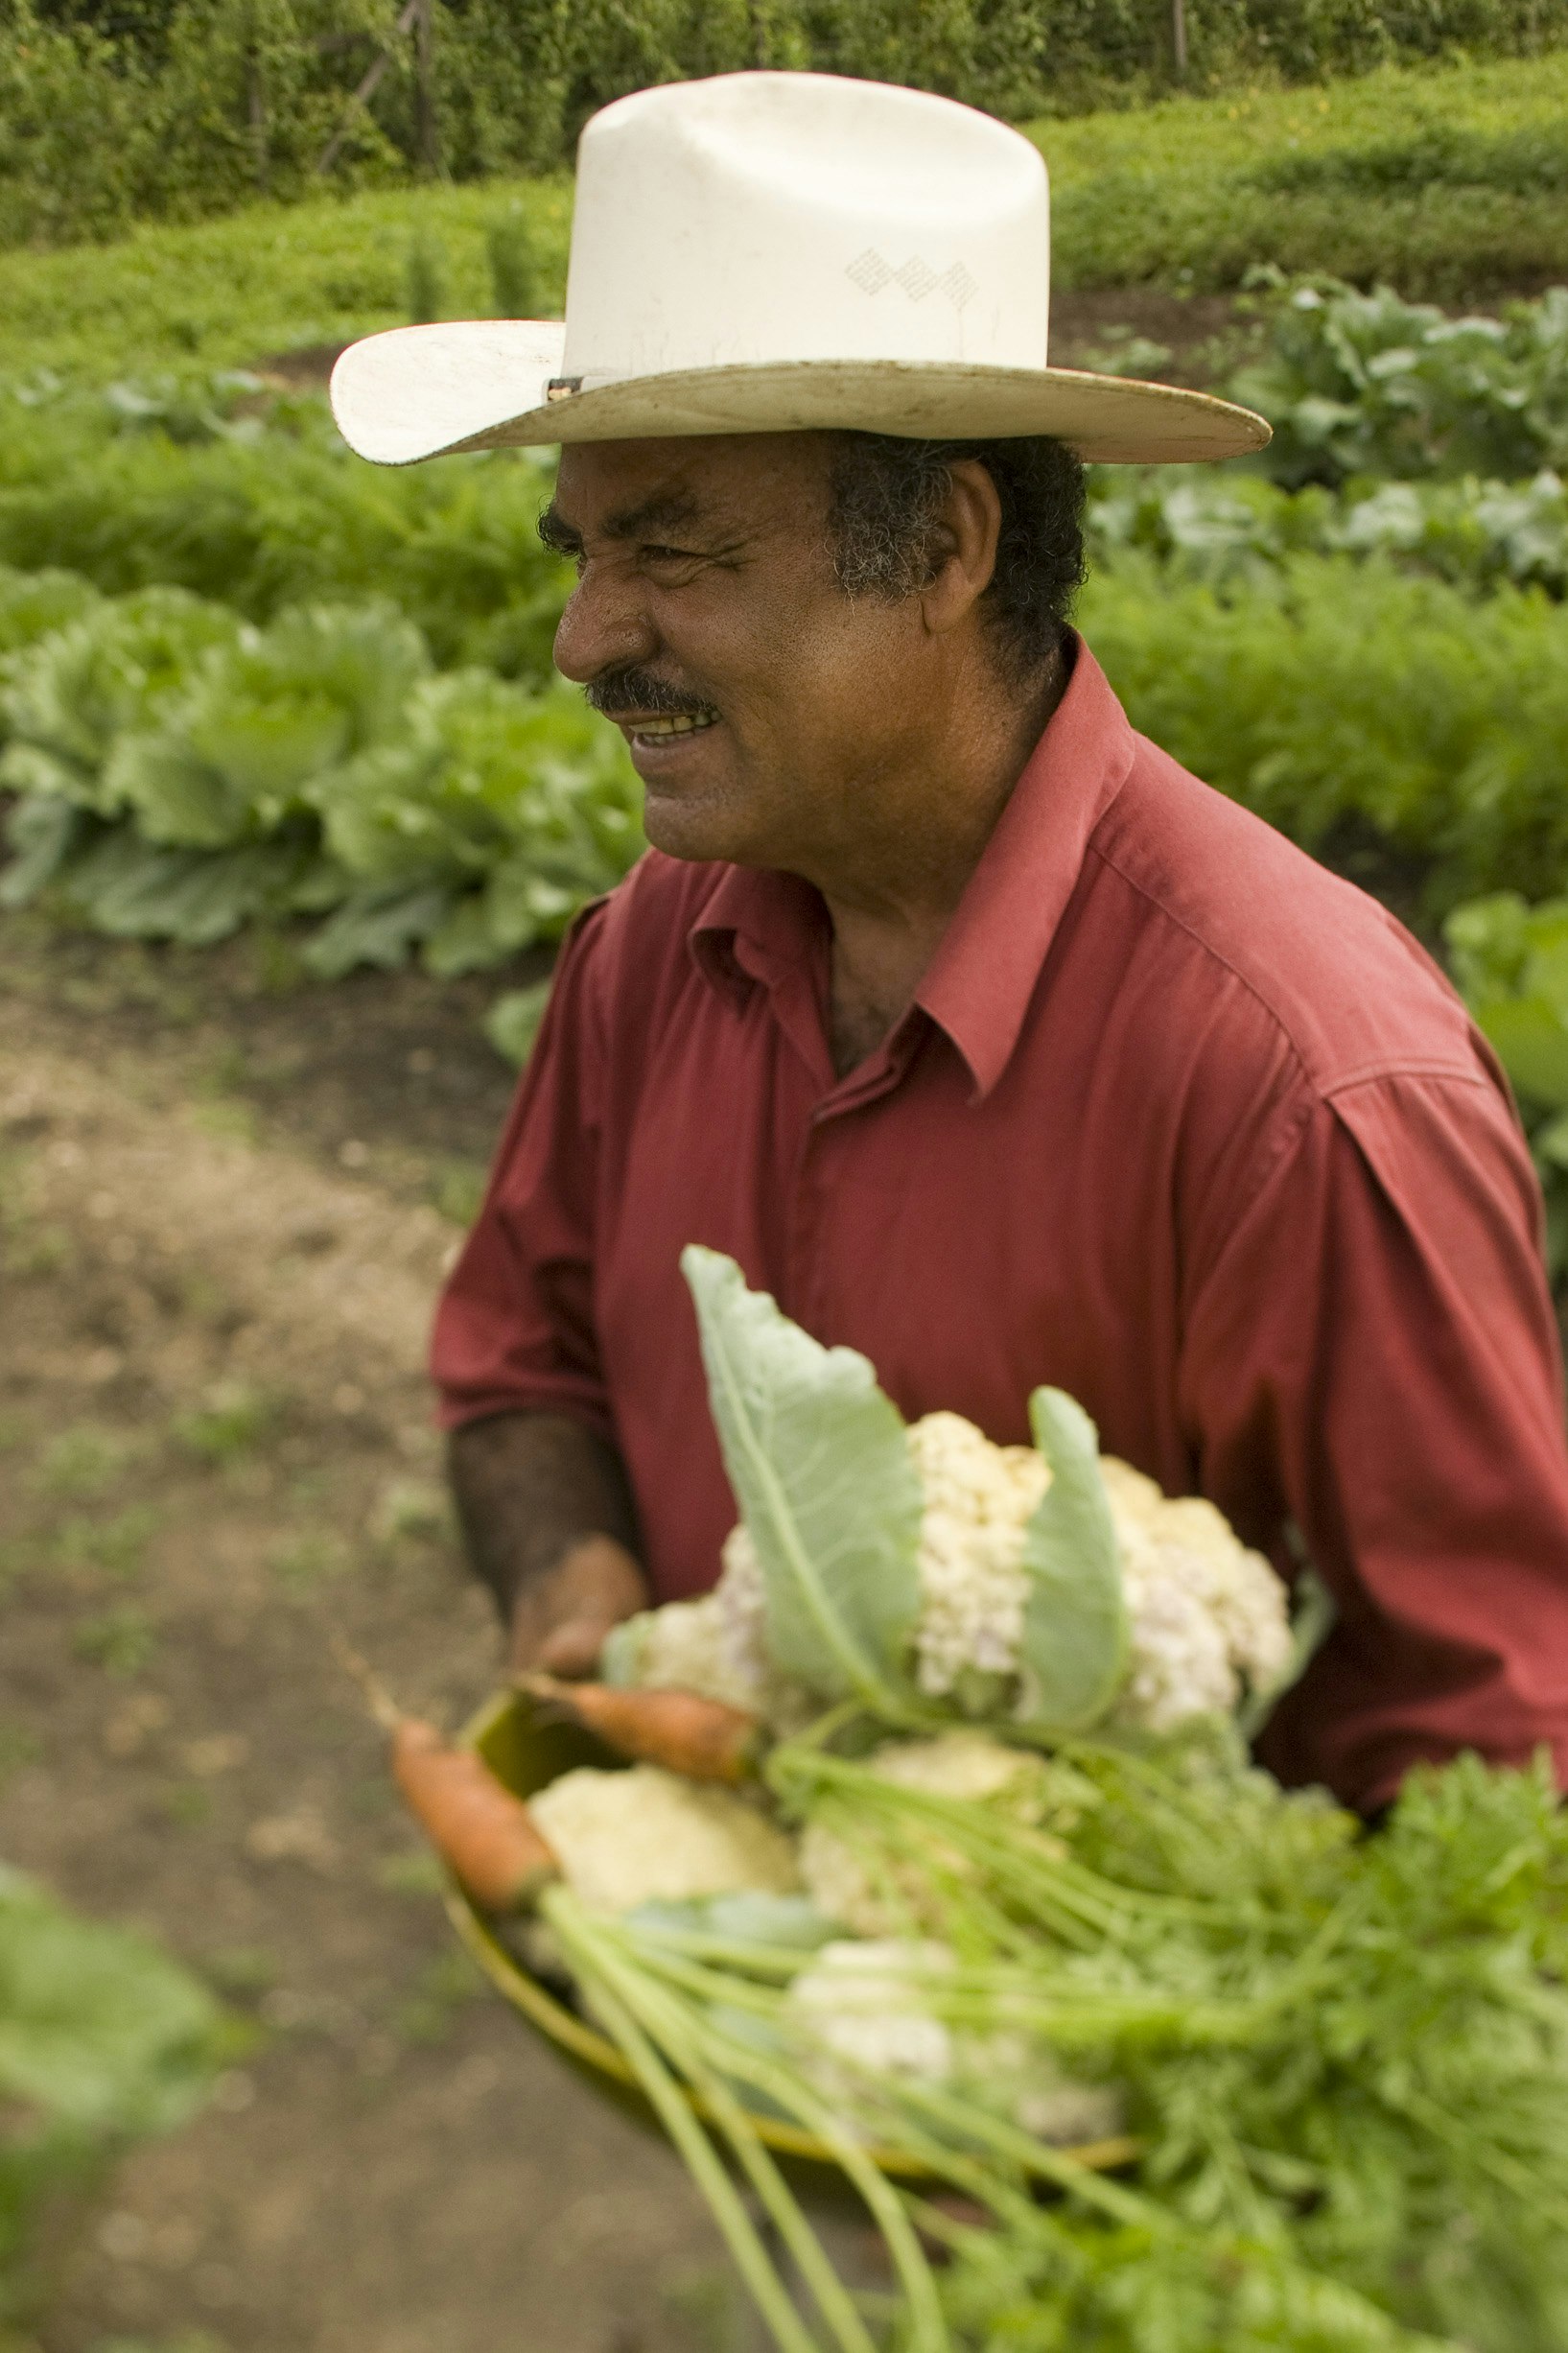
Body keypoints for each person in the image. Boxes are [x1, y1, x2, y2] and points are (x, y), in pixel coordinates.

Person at [331, 71, 1568, 1816]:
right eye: (587, 550)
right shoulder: (648, 950)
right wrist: (574, 1583)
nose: (584, 638)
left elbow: (1484, 1757)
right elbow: (521, 1358)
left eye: (673, 551)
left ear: (949, 548)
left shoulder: (1306, 1088)